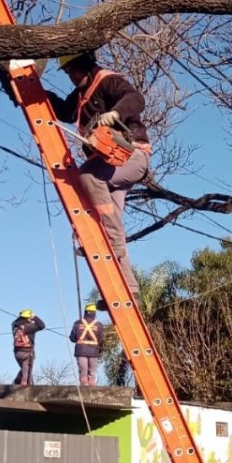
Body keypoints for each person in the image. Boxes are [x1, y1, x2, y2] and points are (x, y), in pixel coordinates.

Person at [44, 51, 151, 296]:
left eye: (72, 70)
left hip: (131, 156)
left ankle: (111, 242)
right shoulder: (81, 94)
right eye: (68, 72)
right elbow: (64, 112)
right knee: (107, 220)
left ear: (84, 65)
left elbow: (135, 98)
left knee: (87, 176)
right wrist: (37, 93)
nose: (70, 76)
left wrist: (115, 113)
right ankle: (127, 289)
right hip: (108, 166)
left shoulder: (108, 81)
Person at [70, 302, 105, 386]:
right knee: (92, 372)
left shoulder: (77, 323)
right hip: (94, 351)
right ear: (94, 313)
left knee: (83, 371)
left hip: (81, 350)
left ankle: (84, 385)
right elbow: (101, 339)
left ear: (85, 312)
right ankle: (92, 386)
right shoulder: (99, 325)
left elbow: (72, 338)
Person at [11, 308, 45, 386]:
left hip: (17, 352)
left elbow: (14, 322)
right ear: (28, 317)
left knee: (24, 370)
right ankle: (25, 387)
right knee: (27, 374)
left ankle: (18, 382)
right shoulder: (29, 327)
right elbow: (42, 325)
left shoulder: (14, 326)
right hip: (27, 352)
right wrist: (34, 317)